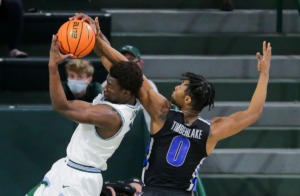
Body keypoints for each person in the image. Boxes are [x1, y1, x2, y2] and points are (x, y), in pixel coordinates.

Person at [73, 13, 271, 195]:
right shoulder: (211, 131)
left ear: (187, 99)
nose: (176, 87)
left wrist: (98, 41)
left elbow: (129, 72)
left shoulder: (162, 112)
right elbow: (253, 113)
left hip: (153, 191)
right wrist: (264, 74)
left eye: (181, 86)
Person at [26, 34, 144, 196]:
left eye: (109, 85)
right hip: (67, 169)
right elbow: (107, 57)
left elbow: (62, 106)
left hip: (79, 180)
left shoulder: (110, 115)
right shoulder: (126, 93)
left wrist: (53, 66)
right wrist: (95, 36)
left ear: (124, 92)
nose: (105, 88)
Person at [102, 44, 158, 132]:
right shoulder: (105, 84)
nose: (126, 64)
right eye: (121, 60)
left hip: (141, 134)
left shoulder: (148, 87)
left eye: (130, 60)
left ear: (140, 63)